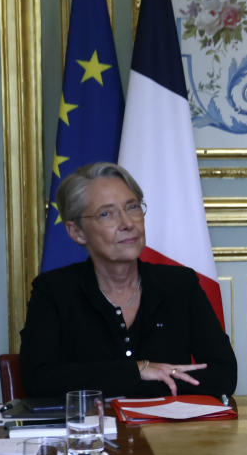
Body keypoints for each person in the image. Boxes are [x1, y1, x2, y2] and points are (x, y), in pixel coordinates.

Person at [20, 162, 236, 399]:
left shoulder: (180, 285)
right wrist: (138, 370)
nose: (128, 223)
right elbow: (38, 381)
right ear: (77, 232)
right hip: (89, 434)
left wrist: (119, 382)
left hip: (170, 432)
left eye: (132, 207)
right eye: (106, 214)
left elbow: (224, 375)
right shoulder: (54, 291)